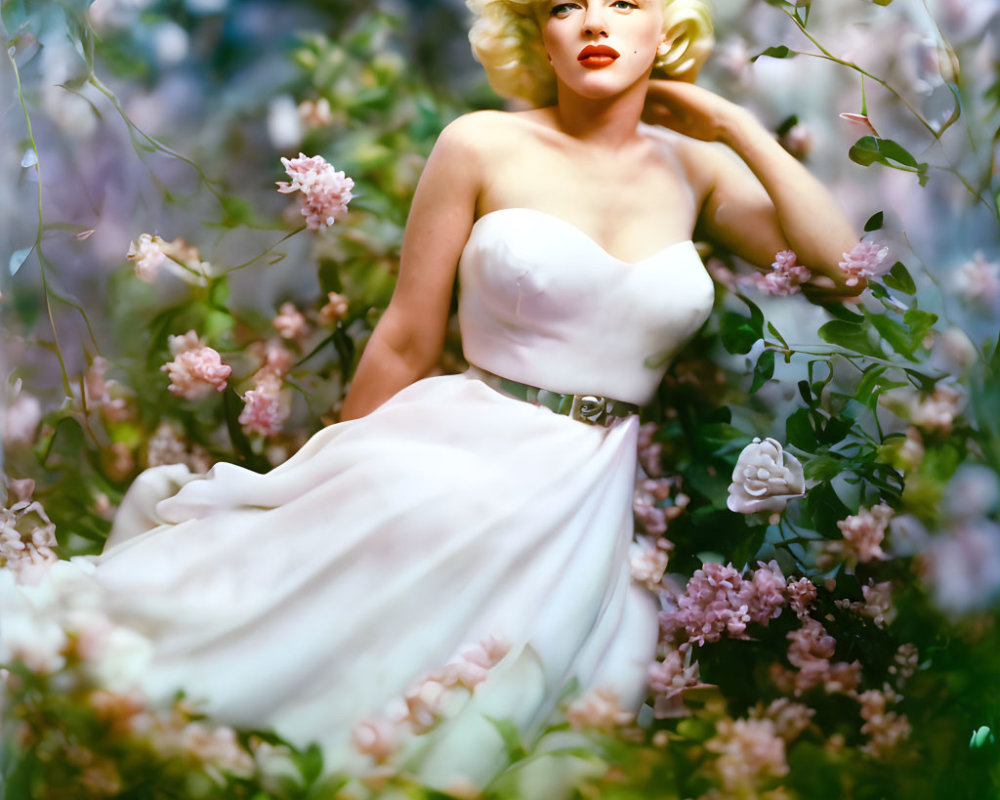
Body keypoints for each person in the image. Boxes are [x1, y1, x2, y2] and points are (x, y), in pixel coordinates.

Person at [88, 0, 860, 792]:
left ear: (666, 24)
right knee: (268, 659)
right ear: (538, 36)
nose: (594, 23)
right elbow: (406, 337)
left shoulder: (695, 169)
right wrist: (324, 473)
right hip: (448, 458)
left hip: (586, 495)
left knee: (483, 726)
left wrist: (733, 125)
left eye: (624, 3)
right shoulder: (481, 142)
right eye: (565, 6)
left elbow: (844, 274)